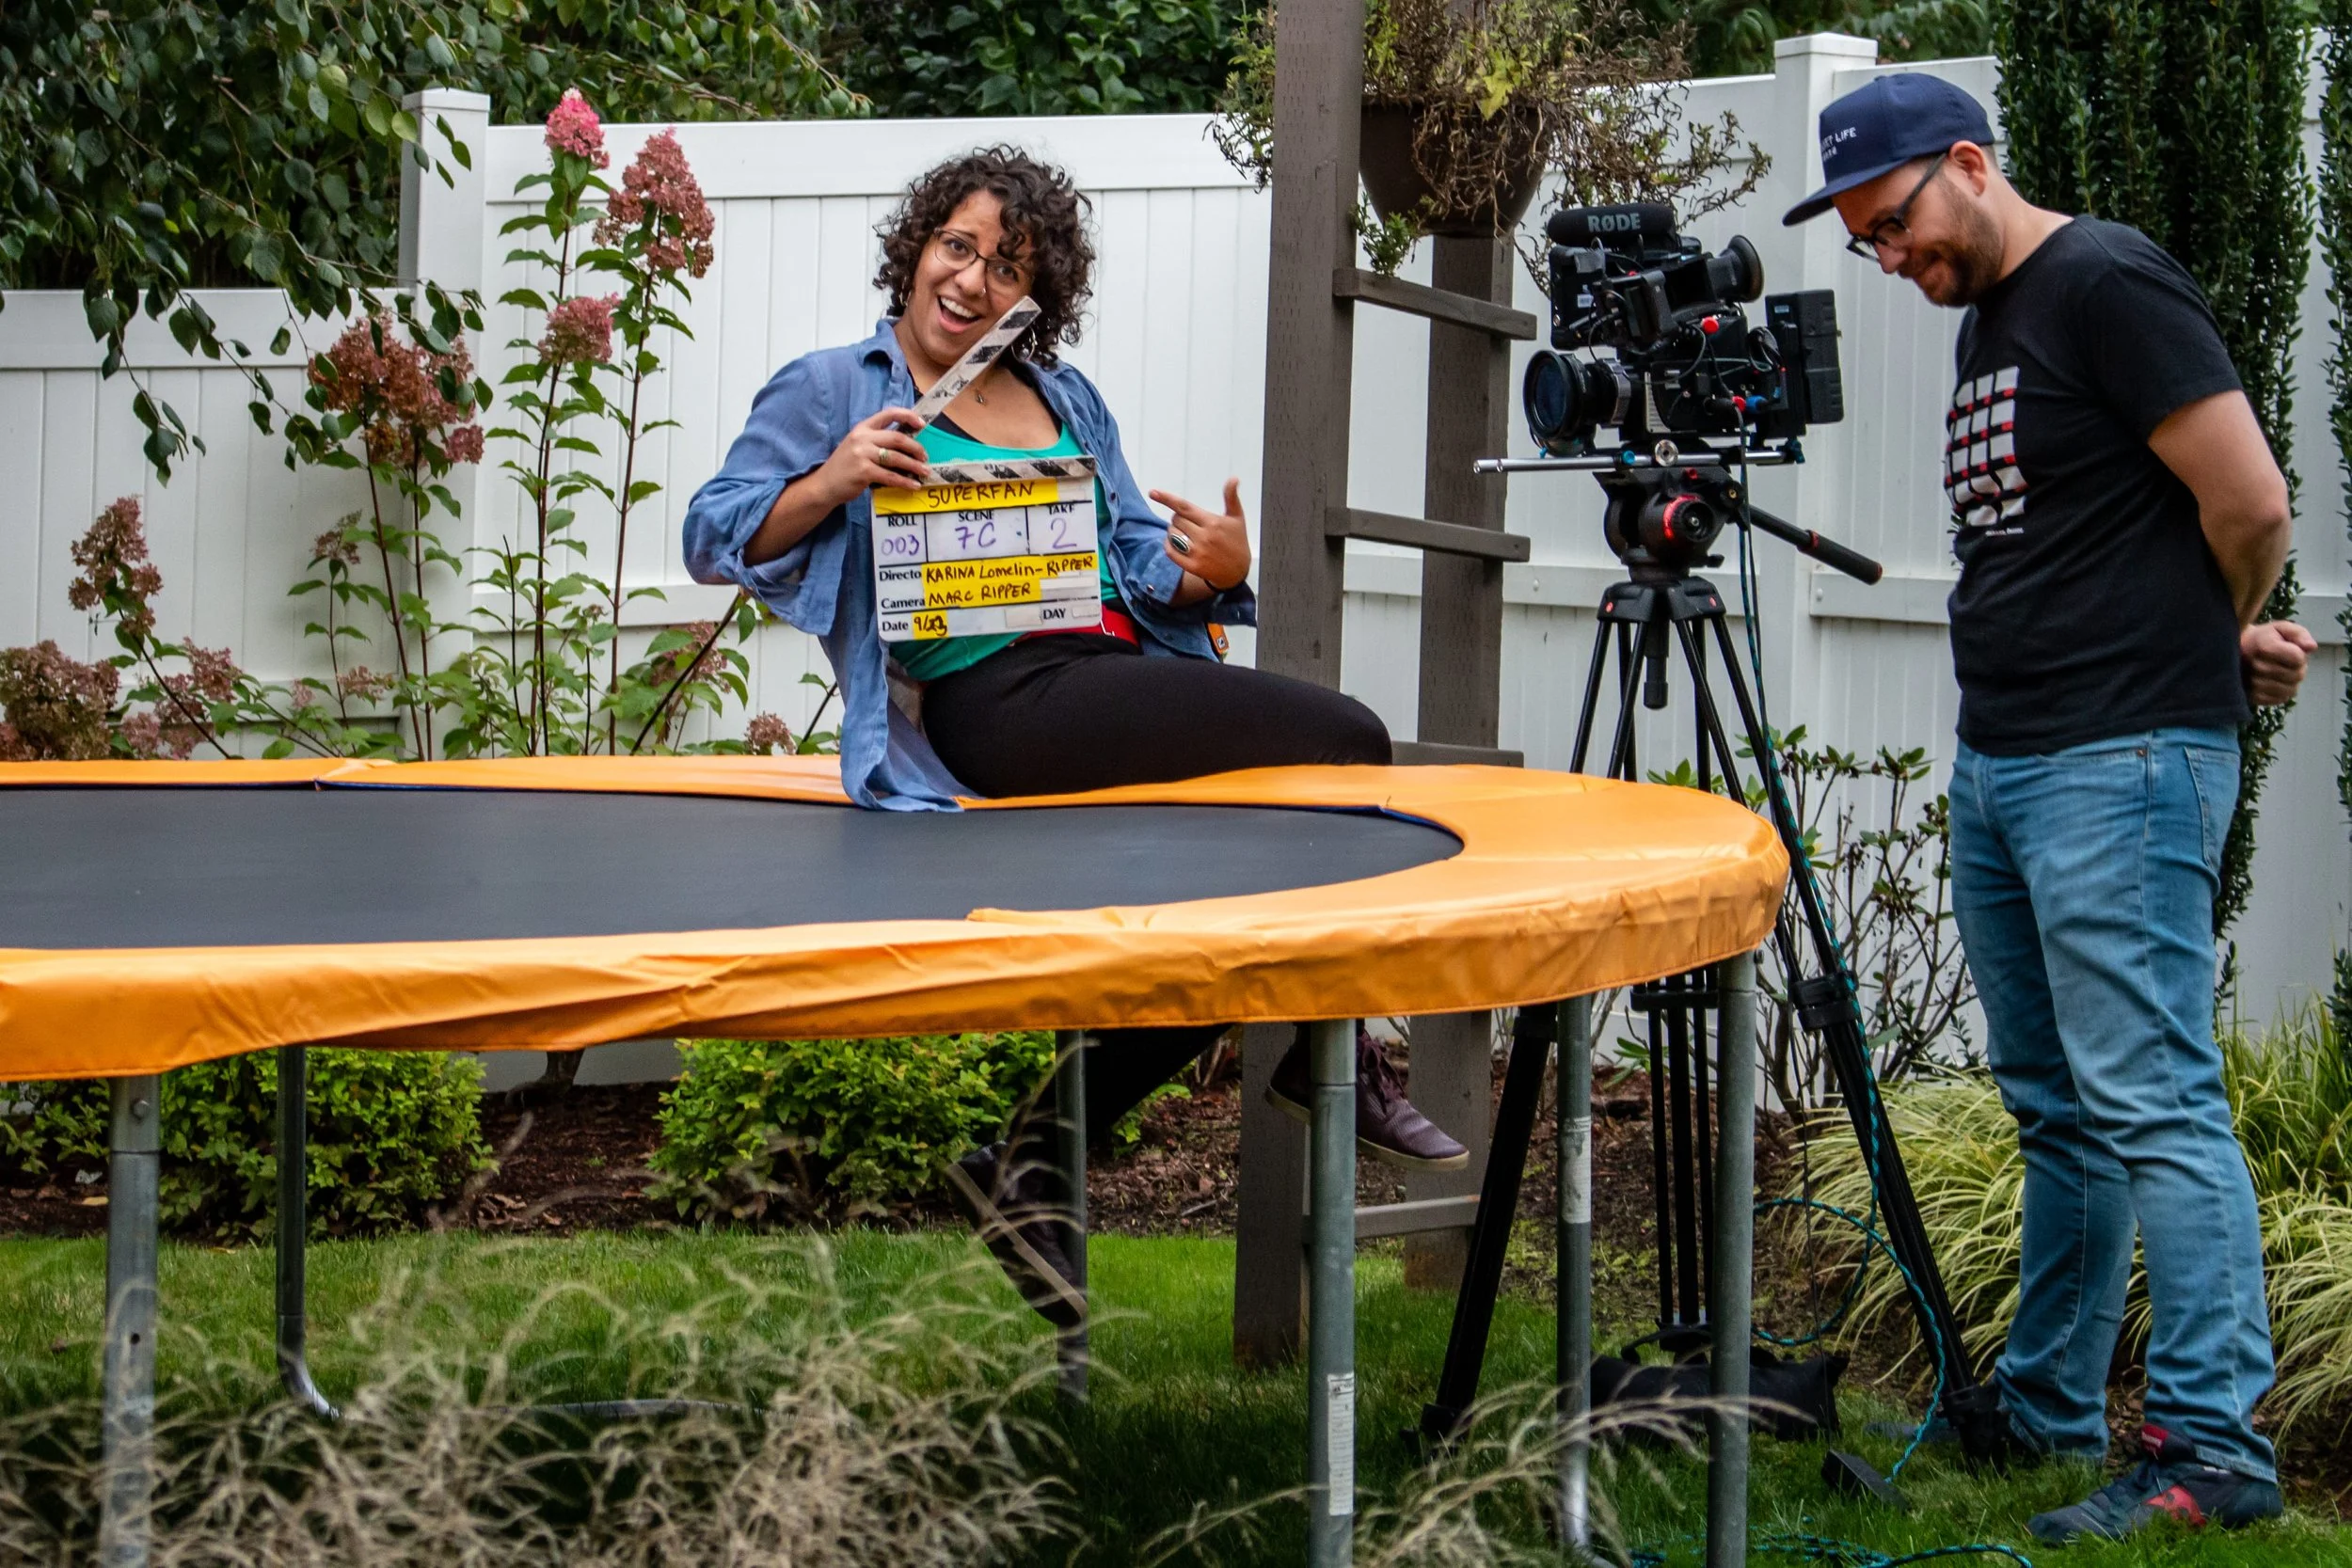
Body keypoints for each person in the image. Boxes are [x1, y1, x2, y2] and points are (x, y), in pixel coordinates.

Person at [681, 147, 1467, 1327]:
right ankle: (1323, 1040)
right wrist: (834, 478)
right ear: (917, 251)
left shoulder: (1066, 400)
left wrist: (1215, 572)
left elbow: (1143, 567)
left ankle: (1039, 1156)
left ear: (1034, 294)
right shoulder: (838, 386)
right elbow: (713, 535)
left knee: (1234, 888)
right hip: (993, 703)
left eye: (1005, 267)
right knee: (1346, 737)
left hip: (1103, 674)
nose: (971, 280)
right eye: (956, 247)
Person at [1783, 73, 2315, 1544]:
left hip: (2118, 757)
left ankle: (2213, 1446)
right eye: (1866, 242)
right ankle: (2047, 1407)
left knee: (2152, 1098)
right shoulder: (1993, 320)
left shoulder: (2106, 281)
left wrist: (2215, 636)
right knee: (2059, 1108)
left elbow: (2251, 502)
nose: (1889, 256)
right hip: (2007, 762)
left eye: (1894, 222)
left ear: (1969, 163)